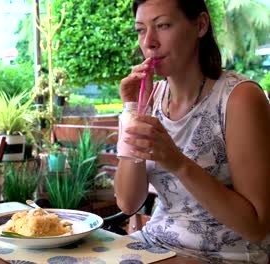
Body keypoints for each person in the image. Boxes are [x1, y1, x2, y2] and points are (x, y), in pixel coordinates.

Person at [115, 0, 270, 263]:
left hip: (225, 254)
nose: (149, 42)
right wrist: (133, 109)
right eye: (140, 30)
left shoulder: (239, 98)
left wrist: (178, 163)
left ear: (200, 25)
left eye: (162, 25)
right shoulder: (153, 97)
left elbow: (256, 226)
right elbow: (128, 202)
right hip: (156, 244)